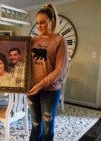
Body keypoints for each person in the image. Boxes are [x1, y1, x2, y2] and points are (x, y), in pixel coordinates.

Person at [26, 3, 69, 141]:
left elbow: (60, 70)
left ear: (52, 22)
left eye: (43, 22)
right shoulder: (32, 40)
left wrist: (40, 84)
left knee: (47, 126)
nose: (39, 26)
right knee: (35, 123)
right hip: (32, 89)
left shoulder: (59, 40)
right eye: (37, 23)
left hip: (50, 91)